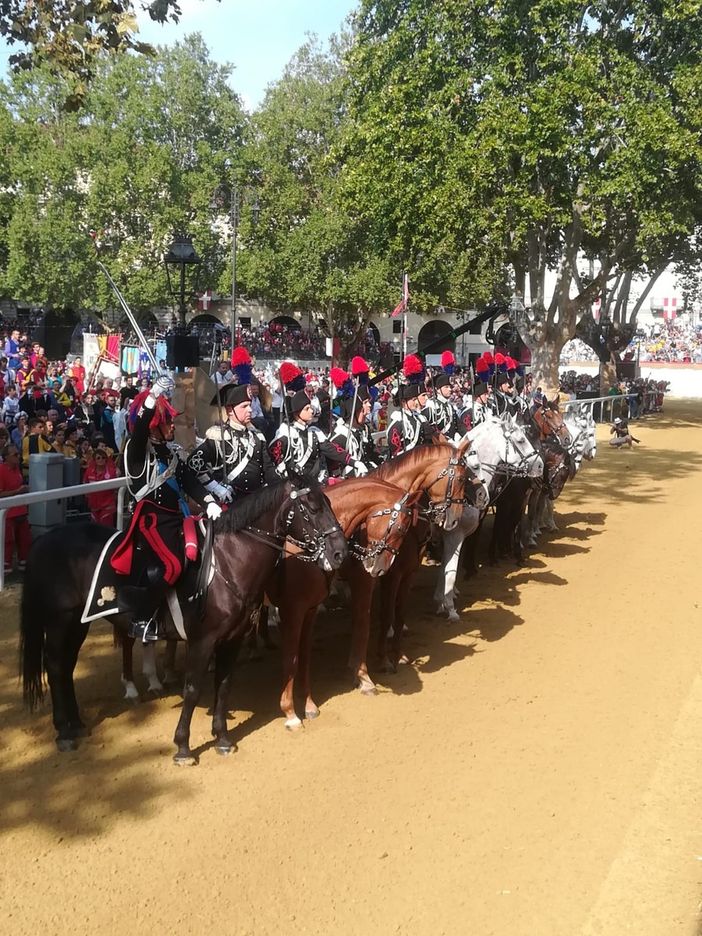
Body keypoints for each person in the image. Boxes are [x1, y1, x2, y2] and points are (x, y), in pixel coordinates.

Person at [110, 375, 222, 642]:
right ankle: (141, 619)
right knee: (172, 566)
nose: (173, 425)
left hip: (176, 518)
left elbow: (188, 480)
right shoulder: (136, 452)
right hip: (150, 520)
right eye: (167, 421)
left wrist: (209, 500)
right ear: (154, 426)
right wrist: (152, 397)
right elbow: (138, 430)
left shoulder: (170, 453)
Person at [188, 382, 278, 499]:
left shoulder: (257, 436)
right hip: (230, 502)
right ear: (230, 410)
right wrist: (215, 487)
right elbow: (194, 463)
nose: (250, 409)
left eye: (250, 405)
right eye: (244, 406)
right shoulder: (219, 436)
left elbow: (268, 469)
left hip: (257, 501)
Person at [270, 389, 358, 481]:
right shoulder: (287, 433)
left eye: (310, 407)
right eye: (307, 409)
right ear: (297, 412)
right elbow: (273, 455)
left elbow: (333, 450)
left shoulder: (314, 432)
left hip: (314, 483)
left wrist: (354, 462)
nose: (312, 411)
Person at [329, 385, 381, 475]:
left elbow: (371, 454)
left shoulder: (364, 430)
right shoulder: (341, 435)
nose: (369, 405)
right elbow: (333, 469)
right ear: (353, 409)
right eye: (365, 402)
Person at [0, 444, 30, 573]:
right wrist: (16, 491)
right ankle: (5, 565)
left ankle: (24, 561)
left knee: (25, 539)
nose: (18, 457)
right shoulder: (1, 471)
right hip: (8, 512)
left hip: (21, 510)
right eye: (15, 455)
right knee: (8, 540)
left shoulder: (17, 469)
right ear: (6, 457)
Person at [84, 448, 119, 526]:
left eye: (103, 458)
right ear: (94, 460)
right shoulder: (89, 472)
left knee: (106, 527)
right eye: (98, 458)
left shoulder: (112, 472)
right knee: (95, 528)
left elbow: (116, 488)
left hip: (108, 505)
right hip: (94, 506)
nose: (101, 460)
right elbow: (85, 485)